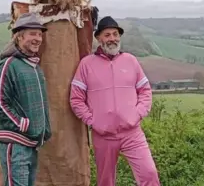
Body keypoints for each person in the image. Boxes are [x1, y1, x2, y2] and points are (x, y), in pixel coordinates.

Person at [69, 16, 161, 186]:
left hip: (132, 133)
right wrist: (93, 121)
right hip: (103, 136)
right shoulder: (86, 64)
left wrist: (137, 114)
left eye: (115, 34)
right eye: (107, 35)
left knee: (149, 173)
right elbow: (76, 99)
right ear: (98, 38)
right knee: (106, 181)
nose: (112, 38)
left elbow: (145, 91)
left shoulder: (131, 61)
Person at [0, 12, 52, 186]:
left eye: (40, 34)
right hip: (15, 142)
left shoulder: (34, 67)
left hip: (31, 143)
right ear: (19, 36)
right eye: (32, 33)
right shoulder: (8, 64)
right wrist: (22, 124)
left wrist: (44, 129)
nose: (38, 38)